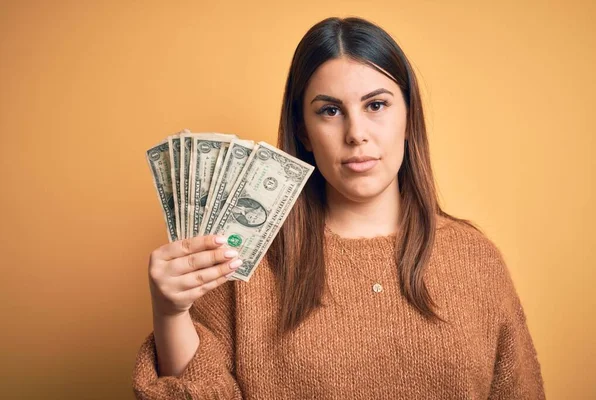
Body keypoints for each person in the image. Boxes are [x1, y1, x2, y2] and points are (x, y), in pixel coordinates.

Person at [132, 16, 545, 399]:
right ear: (304, 133)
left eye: (376, 105)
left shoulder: (475, 259)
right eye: (330, 111)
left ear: (409, 117)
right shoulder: (240, 259)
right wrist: (170, 312)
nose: (356, 134)